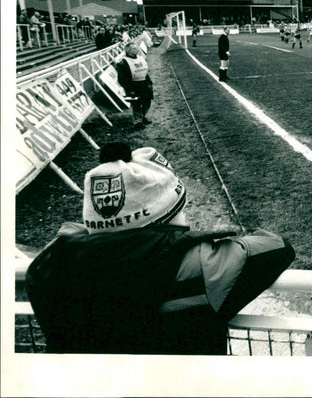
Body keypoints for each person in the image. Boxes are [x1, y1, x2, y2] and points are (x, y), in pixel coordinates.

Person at [25, 142, 295, 355]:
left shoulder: (47, 265)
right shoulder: (199, 266)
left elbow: (76, 237)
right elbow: (278, 246)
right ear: (167, 215)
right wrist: (186, 239)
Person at [117, 41, 154, 129]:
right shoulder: (124, 62)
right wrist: (129, 90)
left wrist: (149, 82)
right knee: (136, 103)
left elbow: (145, 71)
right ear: (127, 50)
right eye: (133, 48)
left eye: (136, 47)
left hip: (144, 83)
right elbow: (122, 79)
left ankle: (142, 116)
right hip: (133, 85)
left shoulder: (140, 58)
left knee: (147, 101)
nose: (136, 49)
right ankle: (137, 122)